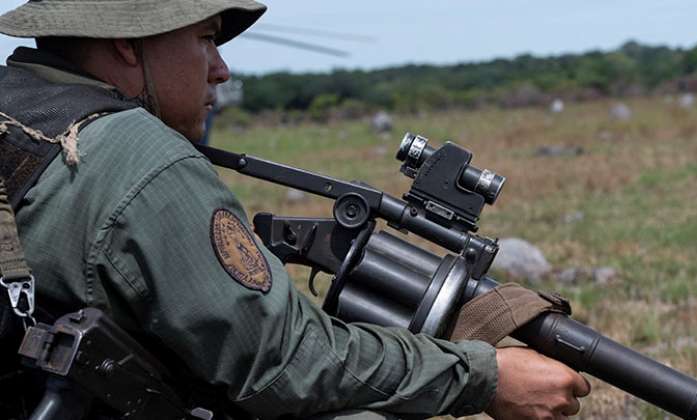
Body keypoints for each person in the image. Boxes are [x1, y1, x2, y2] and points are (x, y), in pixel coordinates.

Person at [0, 1, 590, 419]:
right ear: (128, 43)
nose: (221, 69)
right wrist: (484, 376)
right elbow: (285, 365)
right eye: (206, 38)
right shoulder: (140, 157)